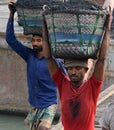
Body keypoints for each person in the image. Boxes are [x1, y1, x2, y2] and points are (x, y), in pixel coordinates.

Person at [42, 7, 113, 130]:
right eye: (70, 68)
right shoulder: (62, 83)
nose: (73, 72)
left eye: (78, 68)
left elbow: (101, 59)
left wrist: (106, 29)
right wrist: (45, 31)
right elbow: (48, 58)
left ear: (86, 70)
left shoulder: (92, 87)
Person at [6, 1, 67, 130]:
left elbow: (66, 81)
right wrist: (11, 15)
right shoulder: (29, 56)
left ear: (45, 42)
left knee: (43, 128)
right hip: (35, 105)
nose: (35, 43)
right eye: (33, 40)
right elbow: (10, 40)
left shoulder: (54, 61)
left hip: (50, 104)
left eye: (38, 40)